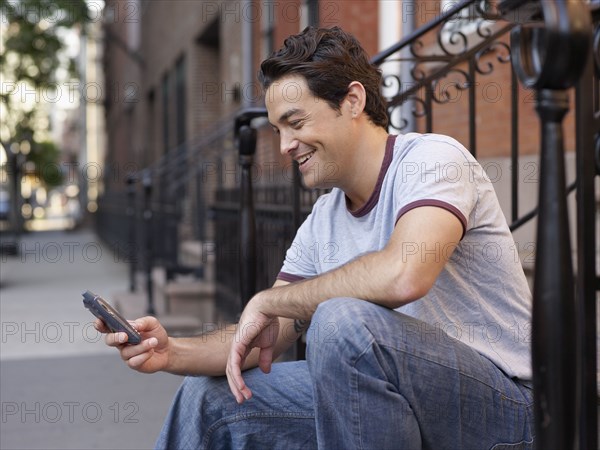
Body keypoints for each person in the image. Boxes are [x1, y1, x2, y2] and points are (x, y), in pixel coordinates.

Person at [97, 26, 534, 449]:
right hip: (399, 402)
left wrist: (269, 300)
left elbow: (405, 275)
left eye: (296, 121)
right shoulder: (323, 218)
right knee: (210, 398)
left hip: (506, 410)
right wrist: (170, 351)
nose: (285, 145)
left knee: (341, 323)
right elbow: (266, 329)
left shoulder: (432, 160)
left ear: (353, 100)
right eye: (277, 129)